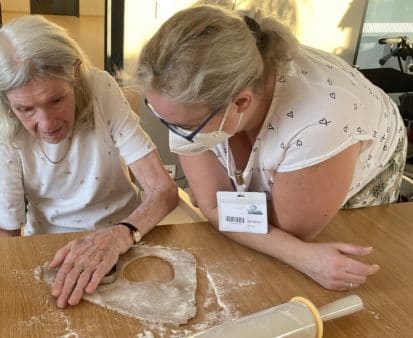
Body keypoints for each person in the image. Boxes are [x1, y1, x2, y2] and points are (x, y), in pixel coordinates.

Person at [137, 4, 407, 291]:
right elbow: (216, 206)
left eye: (187, 125)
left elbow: (287, 229)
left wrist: (300, 252)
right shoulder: (182, 96)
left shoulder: (320, 122)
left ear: (240, 102)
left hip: (359, 151)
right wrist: (297, 253)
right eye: (161, 116)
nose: (175, 135)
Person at [0, 15, 178, 307]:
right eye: (25, 109)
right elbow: (8, 233)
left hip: (127, 232)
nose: (46, 124)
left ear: (74, 72)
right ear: (5, 101)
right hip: (51, 247)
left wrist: (121, 234)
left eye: (56, 100)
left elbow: (164, 190)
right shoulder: (2, 131)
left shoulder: (100, 88)